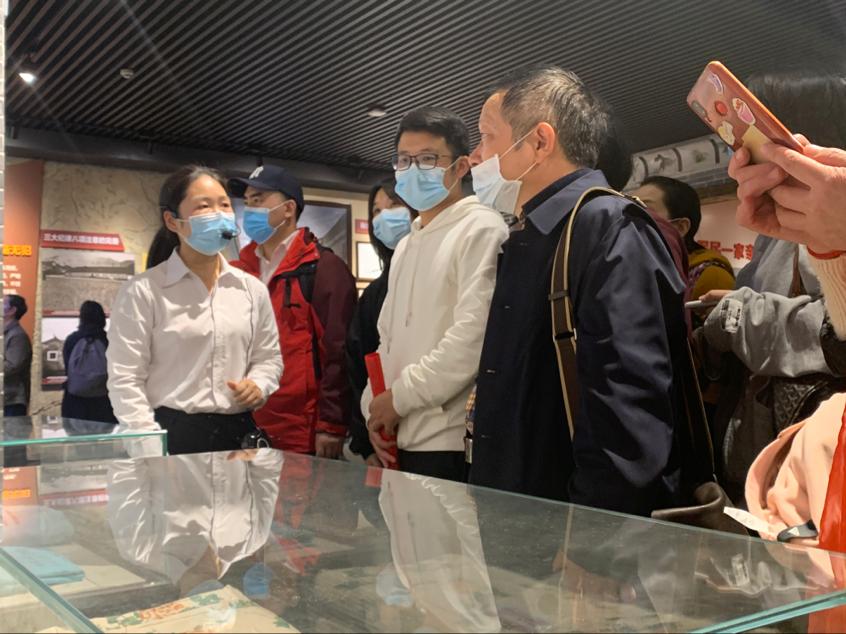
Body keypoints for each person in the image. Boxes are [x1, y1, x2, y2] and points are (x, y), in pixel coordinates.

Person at [465, 66, 692, 515]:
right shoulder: (534, 231)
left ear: (539, 142)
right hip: (520, 510)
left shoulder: (608, 227)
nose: (476, 155)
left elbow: (626, 409)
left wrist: (592, 535)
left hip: (568, 523)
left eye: (488, 137)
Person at [695, 70, 846, 503]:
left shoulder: (826, 217)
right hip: (772, 445)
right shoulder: (781, 222)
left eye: (761, 130)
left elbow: (831, 332)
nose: (743, 149)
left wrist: (736, 314)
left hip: (809, 459)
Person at [361, 106, 508, 481]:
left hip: (448, 438)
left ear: (460, 167)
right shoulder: (407, 244)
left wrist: (400, 398)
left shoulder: (481, 228)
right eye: (404, 160)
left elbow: (472, 337)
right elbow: (386, 338)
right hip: (398, 432)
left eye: (427, 159)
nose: (413, 170)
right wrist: (373, 409)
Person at [107, 165, 283, 455]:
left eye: (224, 204)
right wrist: (149, 448)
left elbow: (269, 357)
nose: (219, 213)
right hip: (172, 435)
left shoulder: (251, 290)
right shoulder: (144, 291)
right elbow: (125, 378)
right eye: (204, 206)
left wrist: (259, 384)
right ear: (172, 221)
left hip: (238, 436)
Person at [229, 165, 357, 458]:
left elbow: (338, 350)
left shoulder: (323, 268)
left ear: (288, 209)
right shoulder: (239, 270)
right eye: (247, 202)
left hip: (302, 428)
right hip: (244, 422)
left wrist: (332, 424)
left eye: (259, 199)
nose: (250, 209)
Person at [346, 178, 415, 465]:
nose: (384, 216)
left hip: (426, 424)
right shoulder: (375, 293)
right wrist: (365, 437)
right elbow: (357, 364)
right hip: (382, 432)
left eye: (394, 204)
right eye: (376, 210)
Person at [634, 176, 736, 322]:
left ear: (680, 227)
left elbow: (722, 333)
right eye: (630, 206)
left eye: (645, 209)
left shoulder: (712, 276)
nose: (629, 217)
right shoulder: (639, 267)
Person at [62, 300, 117, 423]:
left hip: (75, 400)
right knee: (104, 433)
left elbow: (67, 368)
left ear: (82, 317)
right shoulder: (109, 340)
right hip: (104, 400)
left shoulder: (72, 340)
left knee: (77, 433)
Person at [3, 294, 32, 417]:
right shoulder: (4, 333)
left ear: (12, 310)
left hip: (12, 400)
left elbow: (12, 366)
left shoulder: (18, 336)